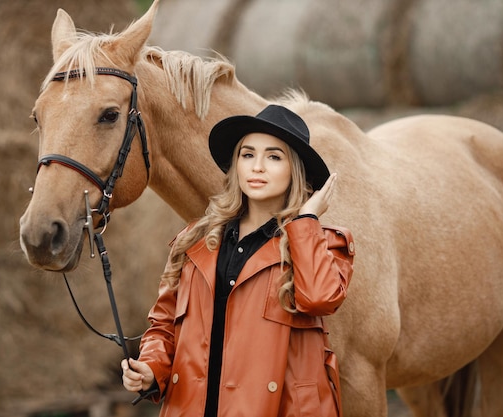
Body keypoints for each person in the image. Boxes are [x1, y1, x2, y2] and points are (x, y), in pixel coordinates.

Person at [122, 104, 355, 416]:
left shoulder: (324, 242)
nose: (257, 166)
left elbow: (319, 300)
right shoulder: (193, 241)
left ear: (295, 170)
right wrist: (151, 368)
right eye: (248, 155)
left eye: (274, 156)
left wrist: (306, 219)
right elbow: (164, 326)